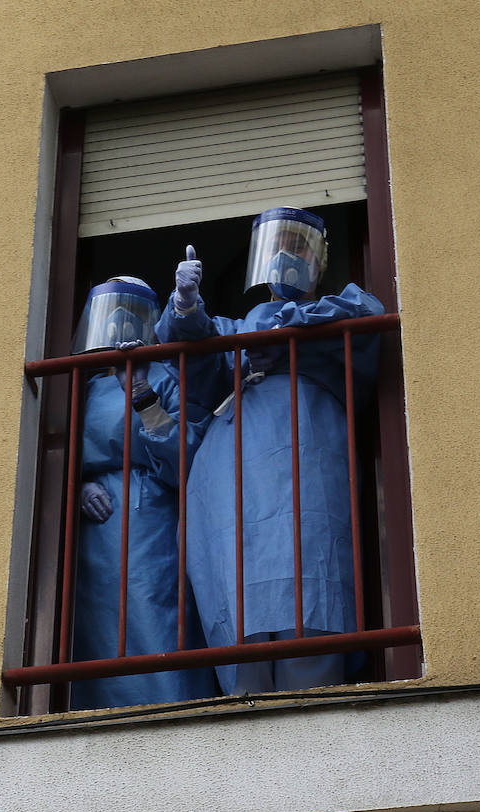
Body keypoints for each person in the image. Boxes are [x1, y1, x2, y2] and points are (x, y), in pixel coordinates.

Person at [156, 208, 384, 694]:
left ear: (319, 262)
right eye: (279, 247)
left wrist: (286, 333)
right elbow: (193, 356)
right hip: (233, 467)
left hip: (309, 455)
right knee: (239, 593)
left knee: (311, 587)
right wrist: (185, 303)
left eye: (301, 249)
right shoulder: (234, 328)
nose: (287, 257)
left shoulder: (340, 308)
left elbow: (366, 319)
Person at [68, 276, 219, 709]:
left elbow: (189, 458)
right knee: (96, 624)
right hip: (94, 531)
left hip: (153, 516)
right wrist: (76, 485)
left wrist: (145, 400)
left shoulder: (168, 376)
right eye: (109, 315)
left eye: (129, 315)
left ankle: (170, 711)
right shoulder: (83, 385)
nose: (118, 325)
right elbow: (58, 451)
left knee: (156, 613)